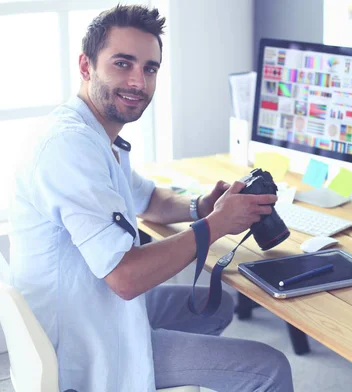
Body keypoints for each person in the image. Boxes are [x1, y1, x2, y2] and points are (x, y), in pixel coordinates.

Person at [9, 5, 293, 392]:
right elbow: (125, 278)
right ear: (86, 65)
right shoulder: (68, 148)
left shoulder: (96, 136)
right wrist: (216, 225)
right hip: (84, 346)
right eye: (122, 64)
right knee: (270, 368)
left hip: (95, 308)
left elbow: (150, 201)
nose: (138, 82)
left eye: (150, 68)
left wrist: (202, 206)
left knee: (217, 304)